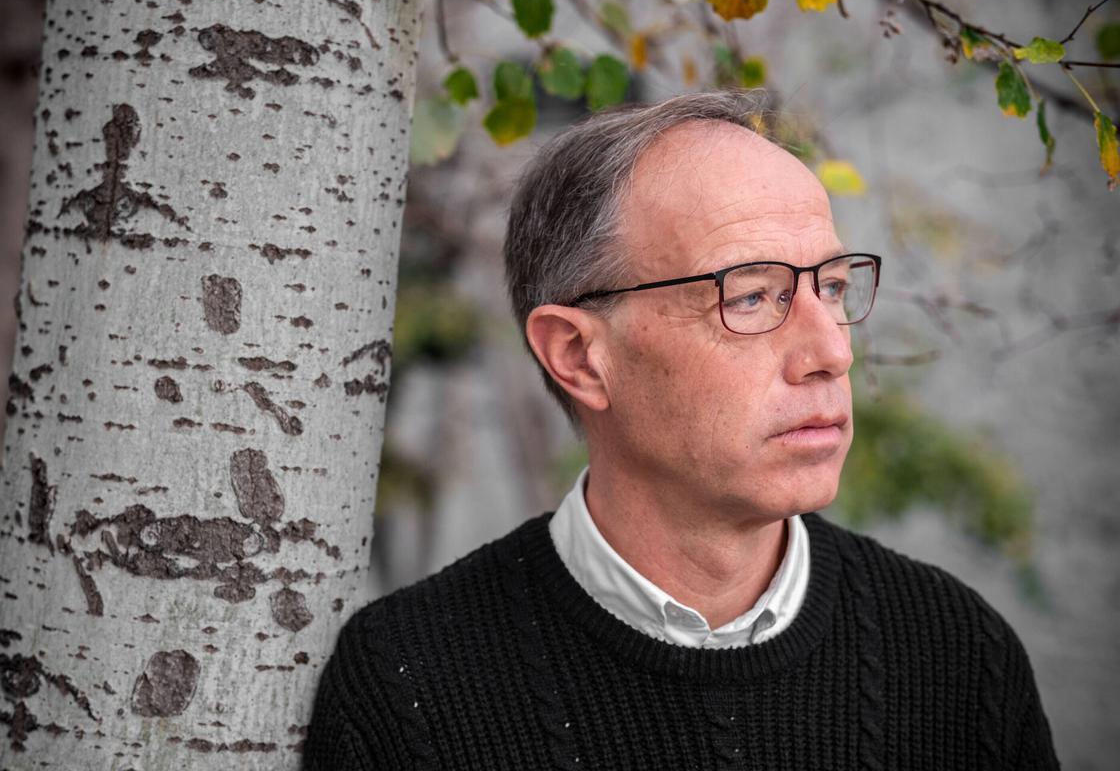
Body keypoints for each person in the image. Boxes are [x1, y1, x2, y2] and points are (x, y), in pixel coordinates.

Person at [303, 91, 1059, 769]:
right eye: (753, 295)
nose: (832, 350)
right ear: (579, 356)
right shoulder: (410, 687)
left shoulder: (958, 655)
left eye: (831, 287)